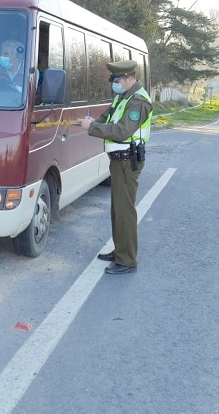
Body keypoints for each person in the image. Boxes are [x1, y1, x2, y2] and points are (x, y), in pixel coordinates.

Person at [80, 59, 152, 274]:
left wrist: (92, 127)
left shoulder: (138, 101)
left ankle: (127, 260)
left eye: (119, 80)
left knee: (125, 211)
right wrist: (92, 121)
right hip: (119, 161)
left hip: (128, 161)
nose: (116, 83)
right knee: (117, 210)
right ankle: (120, 250)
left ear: (130, 78)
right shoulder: (124, 96)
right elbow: (107, 118)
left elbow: (122, 131)